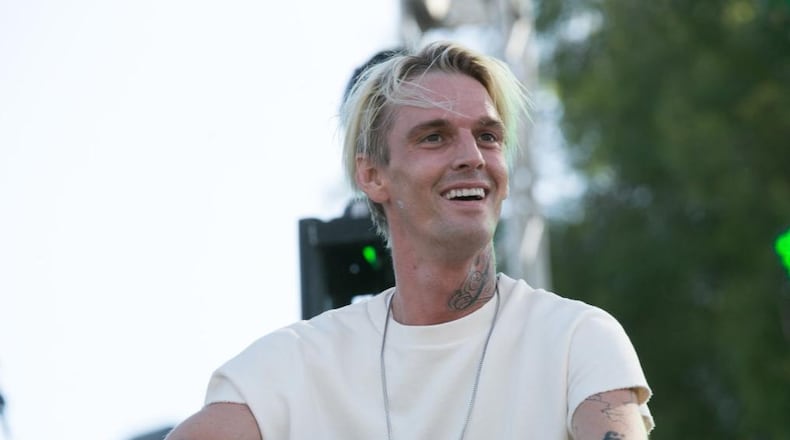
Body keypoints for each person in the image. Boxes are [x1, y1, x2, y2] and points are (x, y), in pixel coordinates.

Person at [166, 40, 654, 440]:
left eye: (487, 136)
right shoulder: (294, 366)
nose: (472, 157)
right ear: (373, 176)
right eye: (435, 137)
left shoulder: (575, 338)